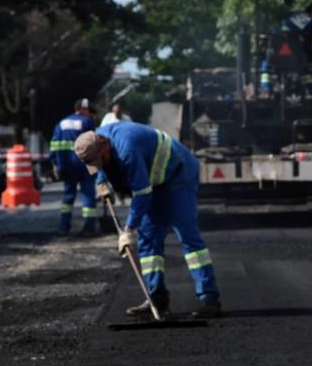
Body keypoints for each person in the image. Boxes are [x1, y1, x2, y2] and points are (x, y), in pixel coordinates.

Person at [73, 122, 221, 319]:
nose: (99, 165)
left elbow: (141, 194)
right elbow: (104, 164)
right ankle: (156, 299)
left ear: (104, 145)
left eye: (100, 161)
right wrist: (101, 182)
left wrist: (129, 229)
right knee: (148, 240)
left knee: (188, 236)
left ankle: (209, 298)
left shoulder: (128, 149)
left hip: (178, 175)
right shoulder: (96, 140)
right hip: (152, 181)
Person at [50, 98, 98, 235]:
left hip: (66, 165)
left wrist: (55, 163)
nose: (91, 115)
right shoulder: (87, 122)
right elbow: (94, 144)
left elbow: (54, 145)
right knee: (88, 195)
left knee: (68, 197)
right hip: (84, 165)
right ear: (83, 109)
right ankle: (89, 228)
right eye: (90, 112)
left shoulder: (61, 123)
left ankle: (64, 228)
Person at [281, 3, 312, 99]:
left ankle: (267, 89)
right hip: (292, 48)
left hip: (279, 46)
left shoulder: (295, 16)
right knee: (304, 70)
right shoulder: (309, 20)